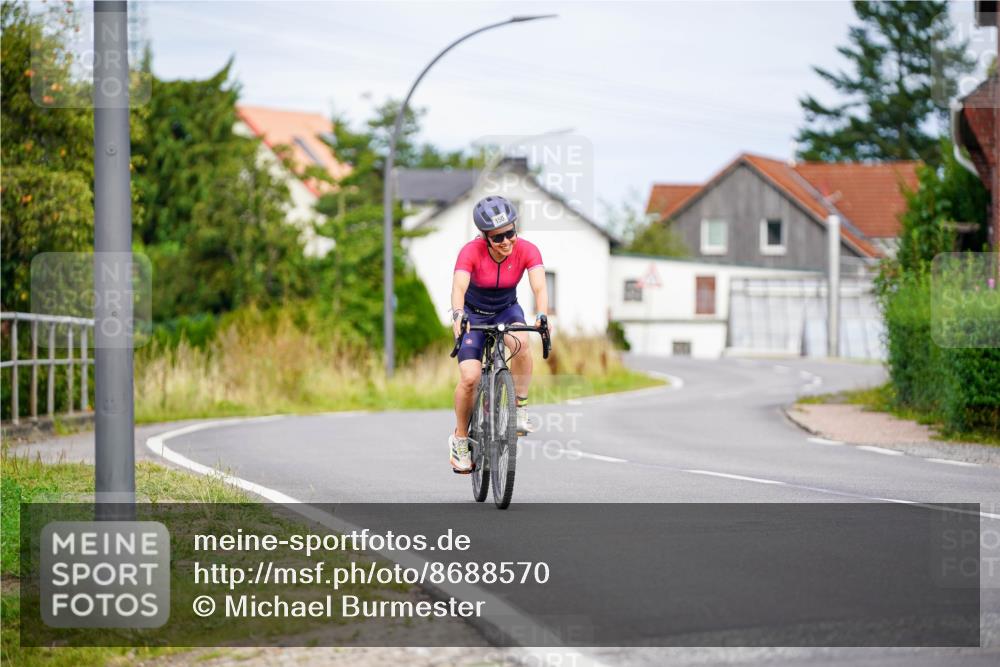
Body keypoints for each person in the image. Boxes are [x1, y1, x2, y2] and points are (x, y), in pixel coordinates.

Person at [448, 195, 549, 473]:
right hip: (473, 313)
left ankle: (520, 407)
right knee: (470, 377)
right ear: (485, 238)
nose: (506, 242)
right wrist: (458, 315)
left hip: (506, 309)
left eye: (510, 233)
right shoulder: (470, 252)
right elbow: (458, 288)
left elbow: (539, 287)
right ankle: (459, 439)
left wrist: (542, 315)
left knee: (520, 343)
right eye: (498, 238)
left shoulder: (527, 249)